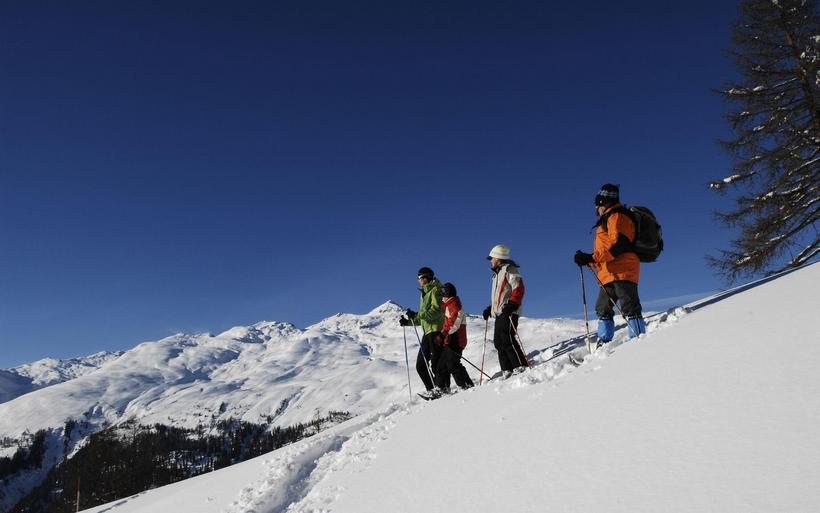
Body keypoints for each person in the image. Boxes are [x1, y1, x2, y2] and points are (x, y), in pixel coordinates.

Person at [574, 183, 647, 344]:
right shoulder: (607, 220)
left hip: (623, 270)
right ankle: (605, 340)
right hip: (608, 273)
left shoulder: (618, 216)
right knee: (602, 307)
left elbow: (618, 246)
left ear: (603, 203)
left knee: (629, 305)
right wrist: (588, 260)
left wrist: (591, 258)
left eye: (597, 207)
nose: (597, 210)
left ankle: (639, 340)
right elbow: (605, 253)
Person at [482, 245, 528, 376]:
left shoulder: (510, 269)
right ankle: (507, 369)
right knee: (498, 342)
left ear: (498, 258)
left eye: (492, 258)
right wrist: (490, 308)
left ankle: (520, 365)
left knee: (507, 338)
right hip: (500, 313)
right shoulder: (496, 275)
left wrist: (512, 304)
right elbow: (500, 296)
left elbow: (518, 288)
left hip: (509, 311)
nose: (491, 261)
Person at [399, 267, 444, 394]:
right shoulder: (424, 294)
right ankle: (432, 390)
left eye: (419, 278)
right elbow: (424, 318)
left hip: (436, 331)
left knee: (436, 364)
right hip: (427, 333)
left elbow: (436, 311)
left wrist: (417, 315)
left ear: (426, 278)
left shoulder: (436, 290)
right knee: (421, 365)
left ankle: (442, 388)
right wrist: (409, 322)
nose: (418, 280)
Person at [433, 282, 474, 392]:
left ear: (447, 294)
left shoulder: (455, 305)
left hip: (457, 339)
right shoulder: (449, 305)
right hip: (450, 339)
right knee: (442, 364)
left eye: (442, 294)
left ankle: (466, 385)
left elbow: (454, 323)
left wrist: (443, 334)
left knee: (452, 363)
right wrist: (443, 336)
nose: (442, 297)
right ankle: (441, 388)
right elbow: (449, 324)